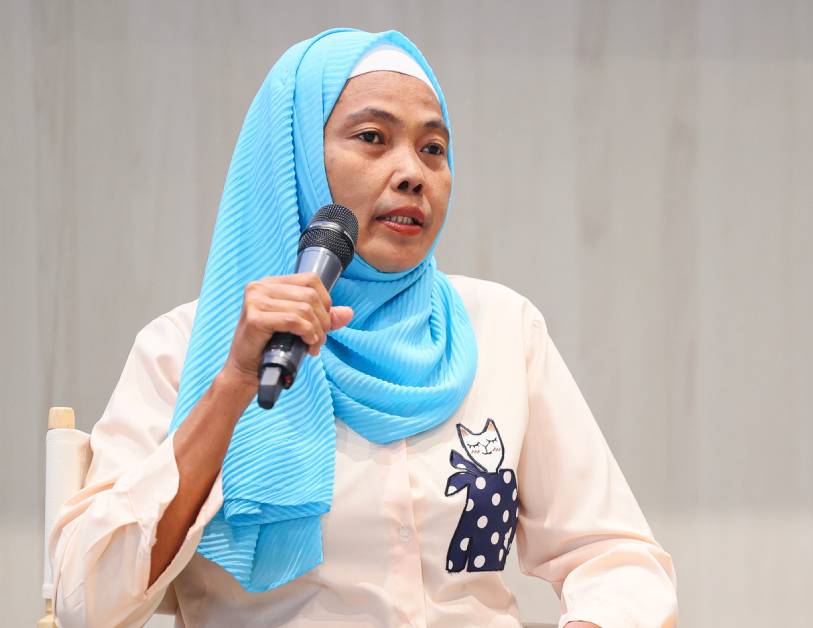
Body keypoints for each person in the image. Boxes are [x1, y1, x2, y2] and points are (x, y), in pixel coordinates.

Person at [48, 28, 677, 628]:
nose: (413, 174)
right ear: (294, 156)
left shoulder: (502, 330)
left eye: (433, 148)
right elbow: (87, 605)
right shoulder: (182, 348)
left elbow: (615, 556)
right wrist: (234, 384)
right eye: (373, 138)